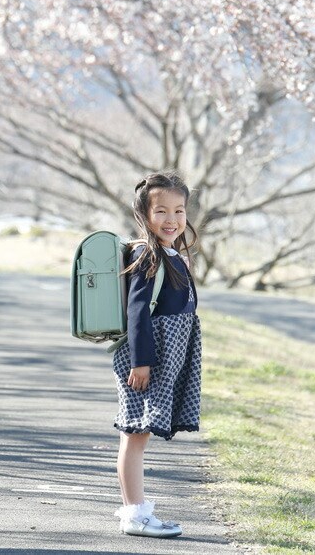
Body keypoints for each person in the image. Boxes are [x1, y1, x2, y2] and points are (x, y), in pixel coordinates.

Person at [112, 171, 201, 539]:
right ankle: (134, 513)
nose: (171, 220)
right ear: (144, 215)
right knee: (136, 433)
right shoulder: (147, 255)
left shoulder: (171, 254)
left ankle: (137, 510)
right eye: (161, 211)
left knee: (140, 433)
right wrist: (141, 362)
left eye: (179, 211)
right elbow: (137, 312)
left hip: (163, 358)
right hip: (147, 360)